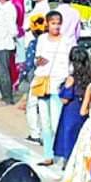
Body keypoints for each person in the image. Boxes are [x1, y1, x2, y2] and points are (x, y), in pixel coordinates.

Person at [34, 11, 71, 167]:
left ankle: (61, 155)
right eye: (53, 23)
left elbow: (71, 62)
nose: (56, 26)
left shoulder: (67, 41)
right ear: (47, 24)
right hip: (42, 83)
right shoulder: (42, 39)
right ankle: (48, 155)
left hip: (58, 84)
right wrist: (39, 61)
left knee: (57, 122)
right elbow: (37, 59)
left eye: (58, 23)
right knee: (45, 122)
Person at [23, 0, 51, 144]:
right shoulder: (41, 8)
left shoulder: (41, 11)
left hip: (41, 72)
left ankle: (36, 133)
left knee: (35, 102)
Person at [53, 47, 91, 164]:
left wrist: (66, 87)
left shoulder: (72, 78)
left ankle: (69, 163)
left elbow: (65, 99)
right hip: (84, 115)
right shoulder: (90, 78)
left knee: (69, 139)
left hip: (71, 114)